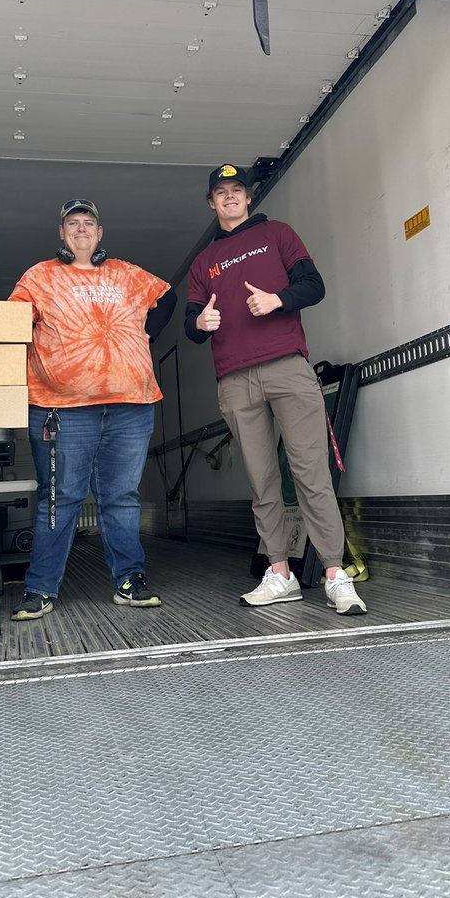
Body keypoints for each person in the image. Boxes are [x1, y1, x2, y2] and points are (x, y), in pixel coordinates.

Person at [184, 164, 367, 615]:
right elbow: (189, 324)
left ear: (248, 197)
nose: (229, 198)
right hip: (234, 378)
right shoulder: (203, 262)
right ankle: (280, 573)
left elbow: (314, 285)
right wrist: (200, 324)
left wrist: (277, 299)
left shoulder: (278, 235)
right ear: (211, 202)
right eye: (221, 193)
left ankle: (334, 574)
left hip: (286, 366)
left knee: (311, 474)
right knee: (262, 481)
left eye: (237, 191)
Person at [9, 198, 175, 620]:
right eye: (72, 223)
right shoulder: (39, 276)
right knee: (59, 498)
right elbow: (11, 326)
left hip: (131, 403)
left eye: (88, 223)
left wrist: (148, 335)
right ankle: (40, 588)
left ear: (100, 233)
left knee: (121, 497)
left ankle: (129, 581)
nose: (81, 229)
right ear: (61, 234)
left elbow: (168, 298)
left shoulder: (125, 273)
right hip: (62, 408)